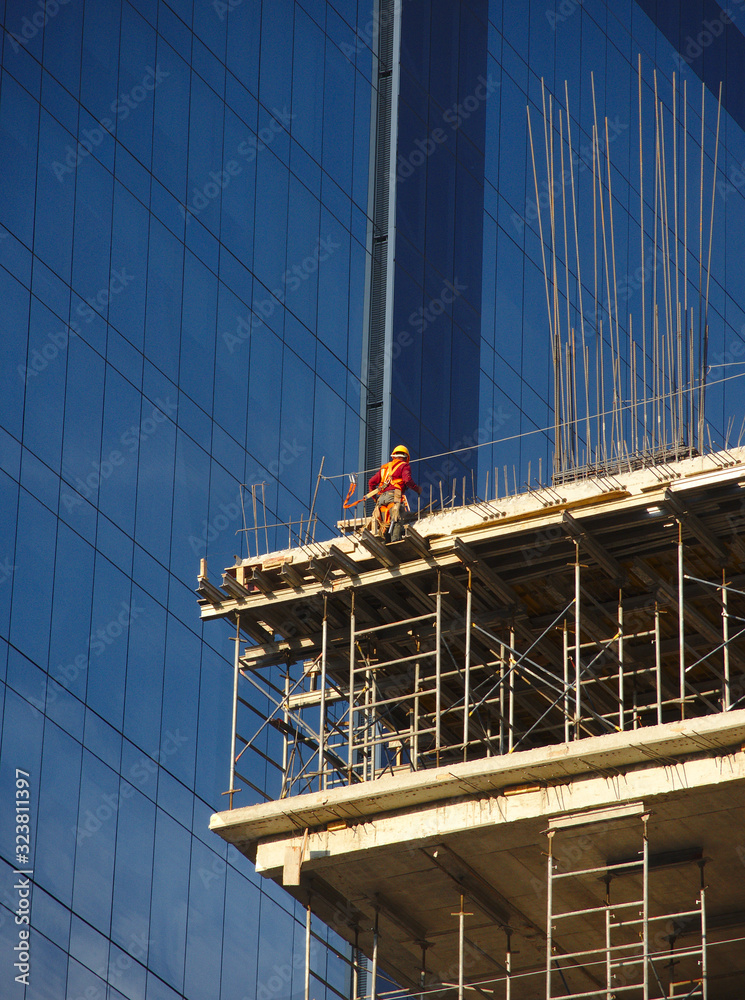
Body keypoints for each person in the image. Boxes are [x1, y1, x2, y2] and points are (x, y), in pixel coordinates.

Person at [368, 445, 422, 541]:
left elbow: (371, 482)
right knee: (396, 517)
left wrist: (375, 499)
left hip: (381, 499)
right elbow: (407, 480)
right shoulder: (404, 465)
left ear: (394, 456)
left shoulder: (384, 468)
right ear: (406, 457)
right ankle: (395, 540)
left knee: (385, 521)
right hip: (393, 496)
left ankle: (386, 541)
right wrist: (417, 489)